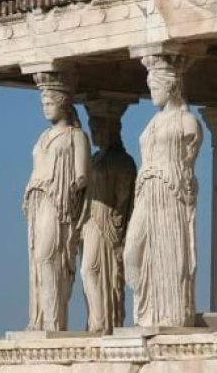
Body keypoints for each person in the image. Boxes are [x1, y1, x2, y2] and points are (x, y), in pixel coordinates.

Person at [124, 56, 202, 327]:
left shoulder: (188, 122)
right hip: (147, 189)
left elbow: (189, 162)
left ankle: (171, 313)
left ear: (170, 86)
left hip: (171, 190)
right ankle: (147, 311)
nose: (151, 92)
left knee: (170, 251)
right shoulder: (153, 122)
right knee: (132, 252)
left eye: (155, 87)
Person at [24, 73, 91, 331]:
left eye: (49, 102)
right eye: (43, 103)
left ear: (63, 103)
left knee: (49, 257)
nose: (45, 107)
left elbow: (82, 174)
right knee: (38, 261)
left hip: (60, 204)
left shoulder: (76, 136)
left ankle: (54, 321)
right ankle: (39, 319)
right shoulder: (43, 137)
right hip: (38, 202)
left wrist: (68, 193)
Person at [81, 101, 136, 334]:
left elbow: (125, 196)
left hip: (108, 223)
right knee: (88, 271)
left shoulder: (123, 161)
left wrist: (117, 225)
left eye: (97, 129)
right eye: (91, 129)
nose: (93, 134)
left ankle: (102, 323)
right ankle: (96, 320)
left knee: (92, 269)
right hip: (91, 219)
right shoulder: (94, 159)